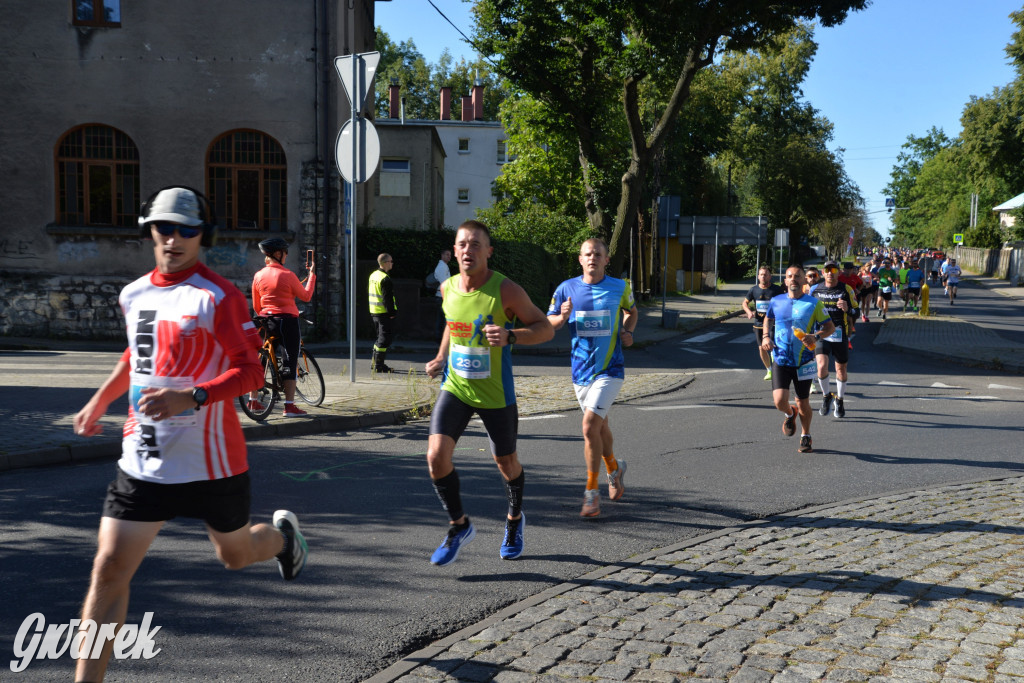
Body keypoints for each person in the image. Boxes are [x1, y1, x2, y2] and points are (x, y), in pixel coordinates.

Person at [71, 187, 308, 683]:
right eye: (164, 227)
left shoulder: (216, 296)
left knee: (235, 555)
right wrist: (101, 398)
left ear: (204, 235)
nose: (174, 239)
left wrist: (192, 396)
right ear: (150, 231)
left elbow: (251, 375)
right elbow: (134, 356)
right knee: (109, 568)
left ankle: (284, 541)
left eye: (187, 229)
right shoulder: (134, 293)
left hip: (212, 463)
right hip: (143, 459)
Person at [424, 220, 554, 565]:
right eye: (463, 244)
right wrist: (440, 356)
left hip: (496, 394)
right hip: (456, 386)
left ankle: (514, 520)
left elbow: (545, 329)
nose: (468, 250)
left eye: (476, 244)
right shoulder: (448, 288)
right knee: (436, 457)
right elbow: (454, 327)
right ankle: (459, 525)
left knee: (506, 463)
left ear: (488, 251)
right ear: (454, 251)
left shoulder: (506, 290)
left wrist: (513, 336)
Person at [547, 238, 638, 517]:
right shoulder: (566, 288)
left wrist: (628, 331)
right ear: (580, 259)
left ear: (606, 259)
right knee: (600, 428)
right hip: (580, 372)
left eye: (598, 254)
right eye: (588, 254)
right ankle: (614, 468)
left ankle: (591, 492)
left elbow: (631, 312)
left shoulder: (620, 286)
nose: (592, 258)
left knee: (589, 427)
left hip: (610, 370)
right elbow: (549, 321)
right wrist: (561, 318)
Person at [762, 265, 835, 453]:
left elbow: (830, 328)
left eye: (797, 276)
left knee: (803, 402)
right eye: (789, 276)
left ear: (803, 281)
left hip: (804, 361)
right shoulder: (776, 301)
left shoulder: (813, 304)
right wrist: (765, 336)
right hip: (780, 358)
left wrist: (816, 337)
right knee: (779, 401)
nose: (793, 279)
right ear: (785, 281)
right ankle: (789, 412)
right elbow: (768, 319)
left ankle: (806, 435)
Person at [247, 237, 317, 418]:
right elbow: (306, 296)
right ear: (278, 254)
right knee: (289, 360)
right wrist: (312, 276)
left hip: (265, 320)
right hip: (287, 322)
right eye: (285, 252)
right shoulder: (288, 275)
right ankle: (289, 406)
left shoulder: (258, 276)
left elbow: (256, 306)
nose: (286, 256)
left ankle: (253, 401)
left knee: (262, 358)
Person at [810, 261, 855, 419]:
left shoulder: (846, 289)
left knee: (841, 370)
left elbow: (856, 309)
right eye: (827, 270)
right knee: (821, 366)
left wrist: (848, 308)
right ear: (823, 272)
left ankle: (840, 400)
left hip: (839, 334)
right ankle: (826, 396)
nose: (830, 273)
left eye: (833, 270)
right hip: (822, 333)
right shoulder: (815, 289)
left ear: (838, 272)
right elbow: (807, 309)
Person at [741, 265, 785, 381]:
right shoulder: (754, 290)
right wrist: (749, 312)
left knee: (774, 346)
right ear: (758, 276)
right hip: (759, 323)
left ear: (770, 276)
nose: (763, 277)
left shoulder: (776, 290)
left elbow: (784, 301)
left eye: (765, 274)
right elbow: (744, 303)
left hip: (773, 323)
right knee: (761, 348)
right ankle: (769, 370)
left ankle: (777, 369)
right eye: (761, 274)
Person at [369, 253, 398, 373]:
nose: (392, 263)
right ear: (385, 263)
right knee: (384, 339)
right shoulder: (385, 279)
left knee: (380, 339)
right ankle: (378, 366)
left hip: (374, 311)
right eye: (391, 261)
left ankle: (375, 363)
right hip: (384, 313)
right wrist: (392, 313)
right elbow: (388, 299)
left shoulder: (373, 275)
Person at [432, 248, 453, 339]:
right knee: (443, 320)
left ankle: (439, 338)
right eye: (447, 254)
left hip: (442, 296)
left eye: (450, 255)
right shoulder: (441, 267)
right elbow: (444, 283)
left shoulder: (444, 266)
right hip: (441, 296)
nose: (449, 257)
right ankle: (440, 339)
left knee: (440, 319)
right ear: (442, 255)